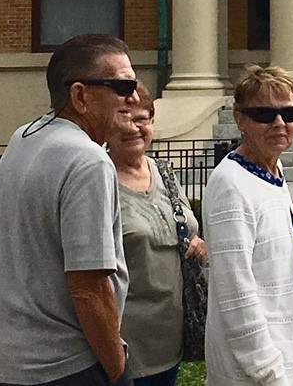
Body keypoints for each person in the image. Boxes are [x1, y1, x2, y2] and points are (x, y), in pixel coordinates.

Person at [0, 33, 138, 386]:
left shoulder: (23, 138)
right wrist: (117, 369)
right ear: (79, 95)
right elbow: (89, 287)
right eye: (123, 86)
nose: (134, 97)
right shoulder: (88, 160)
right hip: (67, 369)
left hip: (0, 364)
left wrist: (22, 315)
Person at [204, 65, 293, 386]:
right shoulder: (231, 185)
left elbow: (281, 237)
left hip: (282, 360)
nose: (279, 123)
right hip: (253, 374)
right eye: (264, 114)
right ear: (240, 119)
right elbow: (236, 293)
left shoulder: (269, 172)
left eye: (289, 113)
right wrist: (270, 373)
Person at [107, 87, 206, 386]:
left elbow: (186, 224)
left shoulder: (163, 171)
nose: (134, 128)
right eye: (123, 118)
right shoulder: (99, 177)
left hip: (171, 334)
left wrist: (197, 241)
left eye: (142, 119)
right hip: (125, 340)